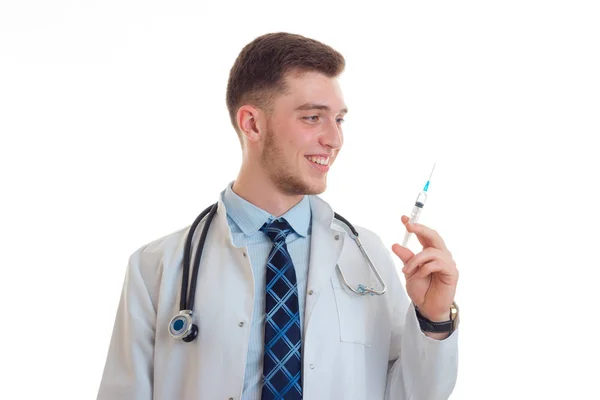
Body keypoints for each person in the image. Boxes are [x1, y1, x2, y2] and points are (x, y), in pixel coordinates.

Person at [97, 32, 459, 400]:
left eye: (339, 120)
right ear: (252, 124)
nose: (334, 139)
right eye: (313, 117)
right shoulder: (155, 268)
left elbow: (413, 395)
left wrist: (434, 319)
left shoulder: (367, 257)